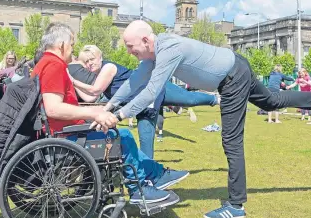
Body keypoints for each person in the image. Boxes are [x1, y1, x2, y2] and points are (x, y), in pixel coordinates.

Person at [101, 20, 311, 218]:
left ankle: (235, 206)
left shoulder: (168, 48)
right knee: (270, 102)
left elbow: (151, 91)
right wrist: (108, 106)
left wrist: (119, 115)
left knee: (231, 141)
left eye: (131, 47)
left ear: (145, 40)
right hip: (236, 67)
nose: (130, 52)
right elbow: (133, 83)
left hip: (232, 77)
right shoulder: (153, 54)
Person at [33, 23, 189, 204]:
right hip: (68, 138)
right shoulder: (54, 66)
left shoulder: (45, 64)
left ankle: (156, 174)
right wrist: (94, 114)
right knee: (122, 136)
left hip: (66, 133)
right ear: (61, 45)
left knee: (119, 133)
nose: (72, 51)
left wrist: (93, 111)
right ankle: (140, 186)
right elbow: (53, 108)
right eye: (72, 45)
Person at [69, 44, 219, 158]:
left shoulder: (108, 67)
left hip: (158, 88)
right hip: (145, 106)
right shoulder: (99, 77)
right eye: (86, 62)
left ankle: (216, 99)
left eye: (92, 59)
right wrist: (70, 84)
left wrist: (73, 81)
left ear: (100, 57)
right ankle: (149, 180)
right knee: (146, 142)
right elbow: (91, 98)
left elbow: (94, 90)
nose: (90, 63)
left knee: (190, 99)